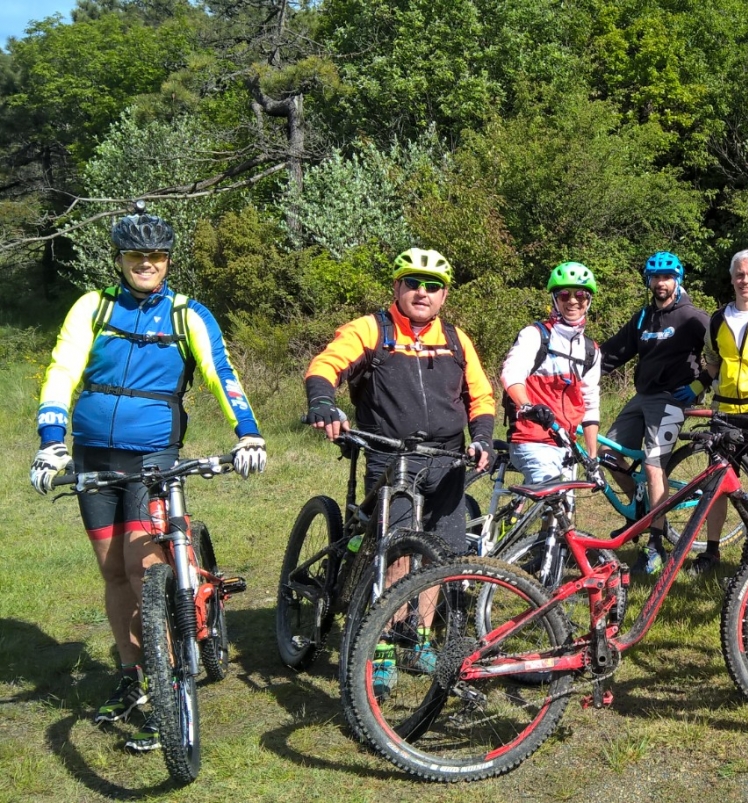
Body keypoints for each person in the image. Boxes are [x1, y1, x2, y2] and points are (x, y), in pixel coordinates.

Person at [29, 207, 266, 753]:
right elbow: (63, 369)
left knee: (144, 571)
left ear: (167, 261)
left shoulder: (188, 314)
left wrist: (248, 432)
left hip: (153, 457)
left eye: (156, 256)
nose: (146, 263)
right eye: (136, 255)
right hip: (92, 454)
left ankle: (168, 691)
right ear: (120, 259)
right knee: (113, 572)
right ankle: (131, 674)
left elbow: (220, 371)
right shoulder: (93, 307)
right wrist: (50, 439)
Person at [304, 247, 494, 689]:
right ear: (397, 287)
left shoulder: (456, 339)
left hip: (447, 458)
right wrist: (322, 400)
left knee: (441, 552)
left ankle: (419, 636)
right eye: (413, 283)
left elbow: (481, 396)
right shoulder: (371, 329)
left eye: (433, 286)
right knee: (399, 549)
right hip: (391, 455)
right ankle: (385, 643)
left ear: (444, 295)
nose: (422, 292)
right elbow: (326, 364)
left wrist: (482, 437)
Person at [598, 251, 710, 575]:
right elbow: (613, 352)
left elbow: (722, 350)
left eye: (667, 277)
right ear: (649, 280)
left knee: (652, 464)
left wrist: (700, 384)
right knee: (607, 455)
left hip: (674, 399)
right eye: (656, 277)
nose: (661, 283)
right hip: (643, 396)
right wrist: (580, 373)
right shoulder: (643, 318)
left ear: (678, 280)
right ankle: (642, 514)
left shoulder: (692, 317)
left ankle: (655, 545)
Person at [692, 249, 748, 576]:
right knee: (717, 486)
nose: (745, 280)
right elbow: (712, 360)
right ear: (732, 278)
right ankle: (711, 551)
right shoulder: (717, 319)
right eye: (740, 274)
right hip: (724, 412)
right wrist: (699, 388)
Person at [500, 261, 604, 487]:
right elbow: (511, 373)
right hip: (531, 439)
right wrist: (527, 406)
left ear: (588, 300)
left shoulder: (590, 350)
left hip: (566, 445)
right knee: (552, 498)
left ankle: (518, 510)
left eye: (580, 295)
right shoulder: (535, 335)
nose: (573, 300)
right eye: (565, 294)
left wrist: (592, 458)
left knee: (564, 507)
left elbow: (590, 403)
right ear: (555, 299)